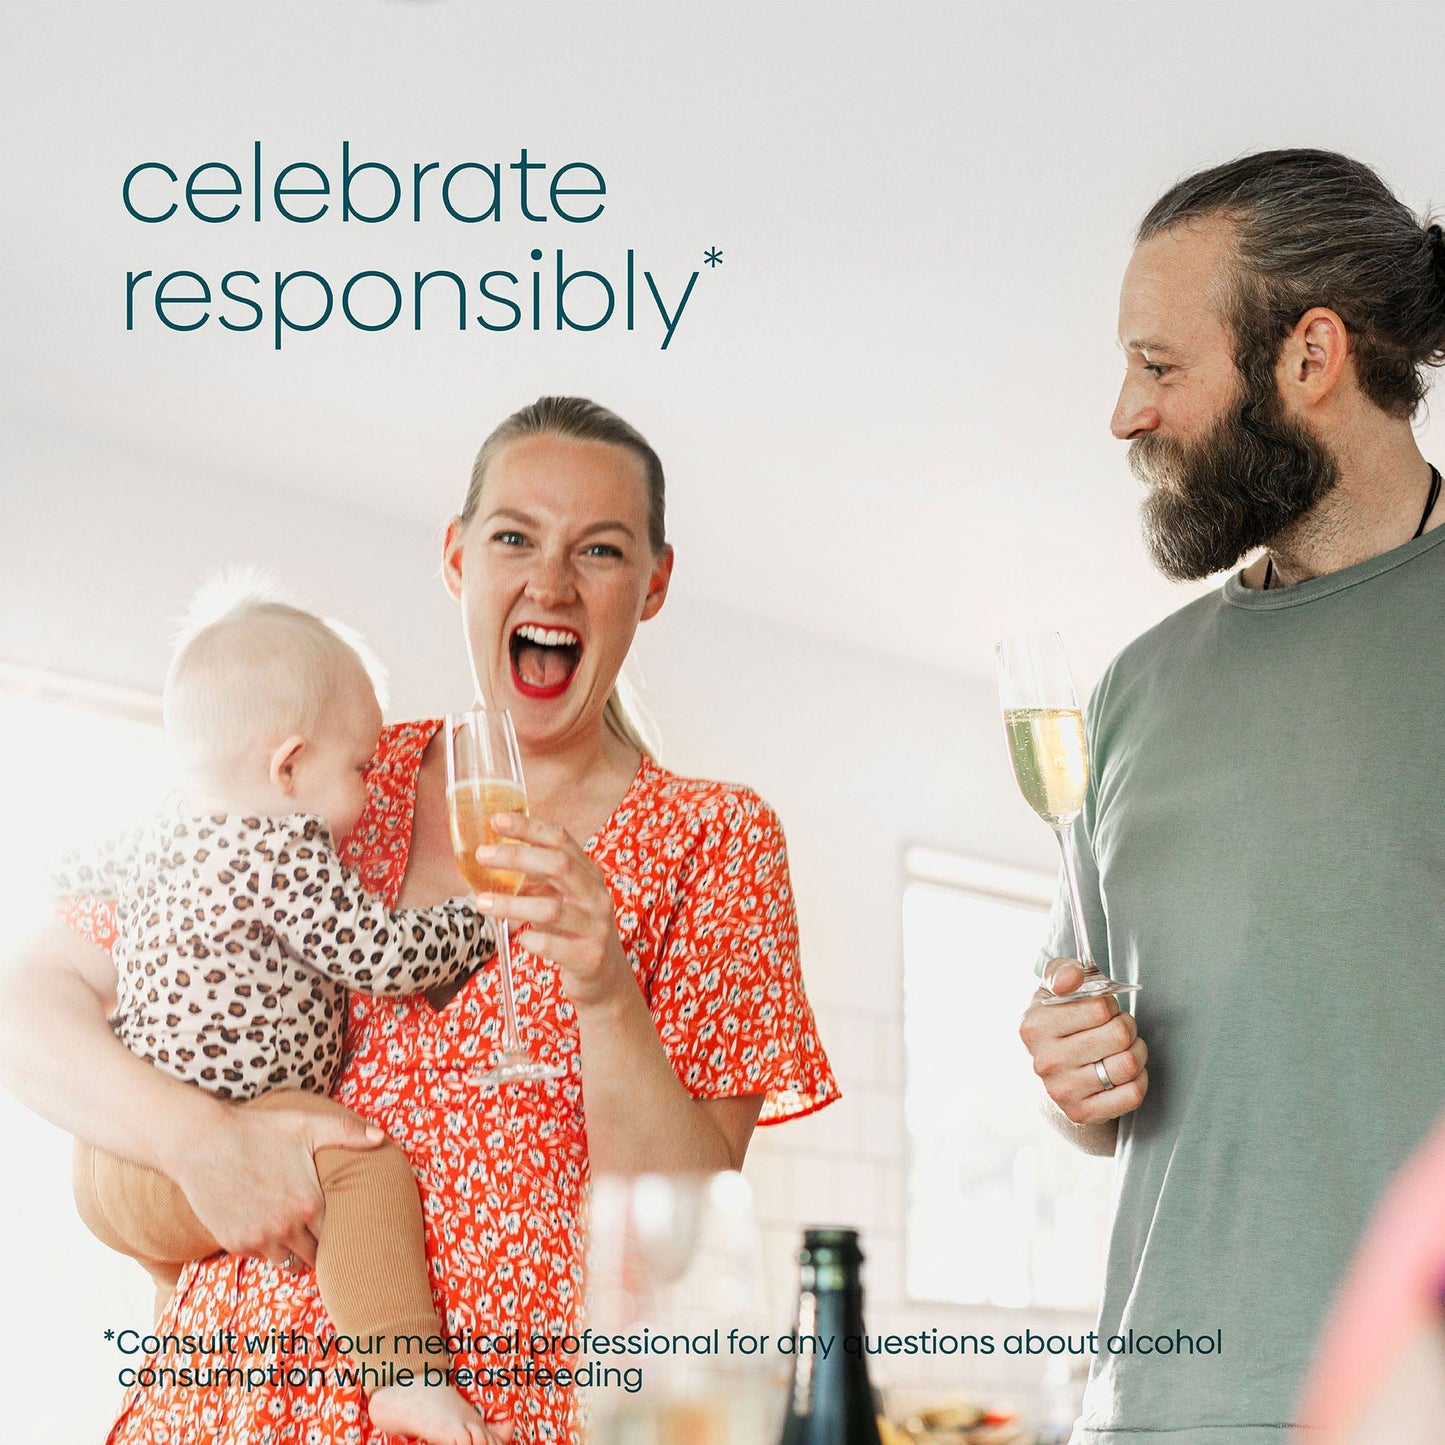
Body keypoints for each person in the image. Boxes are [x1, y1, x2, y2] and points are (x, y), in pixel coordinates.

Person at [0, 396, 838, 1444]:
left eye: (602, 549)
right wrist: (199, 1140)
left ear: (654, 582)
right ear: (456, 559)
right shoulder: (320, 766)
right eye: (513, 537)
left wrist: (604, 993)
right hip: (228, 1405)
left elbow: (674, 1237)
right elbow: (30, 1007)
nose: (550, 582)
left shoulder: (714, 837)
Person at [1016, 149, 1445, 1443]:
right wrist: (1069, 1077)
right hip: (1149, 1411)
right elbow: (1103, 1079)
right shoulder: (1136, 690)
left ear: (1309, 356)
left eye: (1159, 366)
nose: (1123, 414)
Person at [53, 588, 503, 1445]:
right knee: (354, 1158)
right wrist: (478, 923)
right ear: (289, 767)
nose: (371, 792)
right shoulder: (285, 848)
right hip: (211, 1132)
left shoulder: (161, 826)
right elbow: (376, 956)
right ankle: (404, 1377)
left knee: (185, 1280)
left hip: (116, 1163)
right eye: (362, 768)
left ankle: (168, 1310)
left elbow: (72, 865)